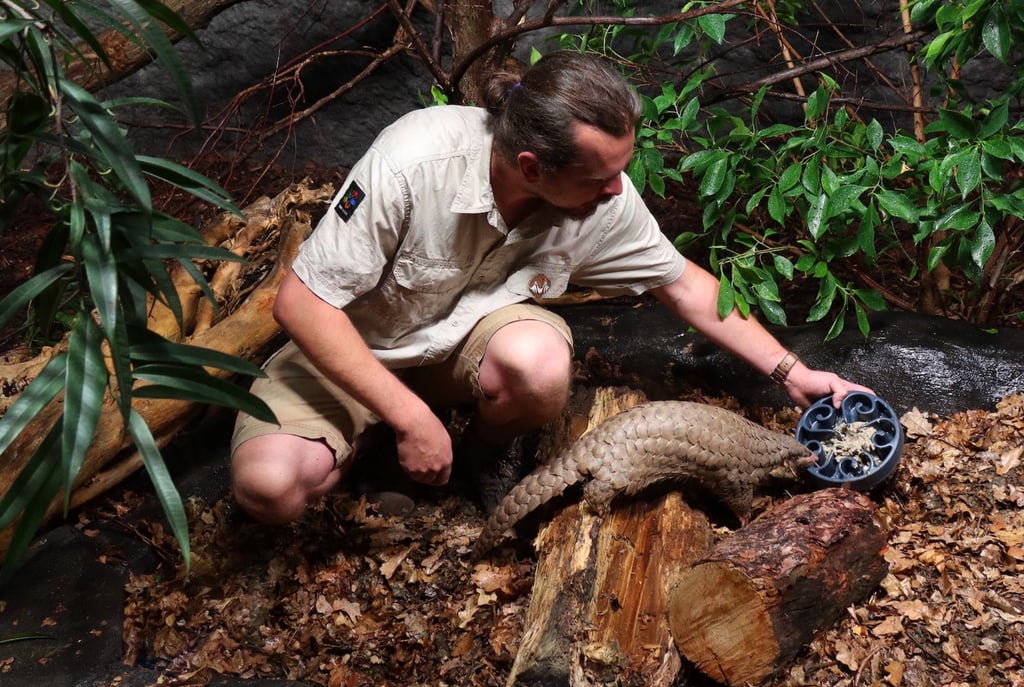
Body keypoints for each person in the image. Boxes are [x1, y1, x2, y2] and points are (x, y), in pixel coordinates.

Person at [229, 51, 871, 525]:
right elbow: (300, 304)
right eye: (599, 177)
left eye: (621, 169)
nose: (617, 189)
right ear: (532, 167)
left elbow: (681, 285)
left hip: (463, 351)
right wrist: (409, 417)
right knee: (270, 489)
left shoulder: (603, 195)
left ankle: (479, 453)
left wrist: (792, 371)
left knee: (539, 366)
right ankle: (372, 441)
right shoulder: (413, 161)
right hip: (356, 350)